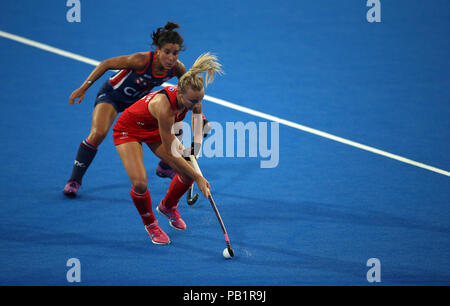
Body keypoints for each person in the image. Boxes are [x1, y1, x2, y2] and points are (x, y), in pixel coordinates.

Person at [63, 22, 187, 197]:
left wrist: (197, 113)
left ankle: (165, 166)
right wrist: (84, 87)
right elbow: (106, 64)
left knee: (173, 122)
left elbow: (188, 89)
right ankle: (74, 180)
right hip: (111, 96)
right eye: (167, 52)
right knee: (98, 133)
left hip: (136, 104)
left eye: (175, 53)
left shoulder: (177, 68)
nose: (171, 57)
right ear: (158, 50)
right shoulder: (141, 60)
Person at [112, 52, 223, 244]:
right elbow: (171, 155)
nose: (196, 105)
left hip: (154, 129)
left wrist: (194, 151)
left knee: (187, 171)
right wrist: (198, 177)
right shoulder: (164, 108)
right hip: (128, 130)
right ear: (180, 93)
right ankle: (151, 225)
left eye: (200, 100)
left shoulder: (194, 98)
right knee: (140, 184)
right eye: (192, 102)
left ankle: (168, 206)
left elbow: (197, 124)